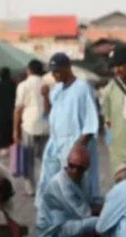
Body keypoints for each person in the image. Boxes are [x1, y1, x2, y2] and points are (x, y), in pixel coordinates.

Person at [35, 52, 101, 209]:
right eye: (52, 72)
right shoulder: (57, 89)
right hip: (55, 141)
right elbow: (49, 113)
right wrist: (45, 97)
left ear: (68, 68)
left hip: (74, 142)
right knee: (49, 178)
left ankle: (81, 211)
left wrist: (78, 147)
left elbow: (91, 123)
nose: (54, 75)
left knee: (76, 183)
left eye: (57, 71)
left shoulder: (82, 88)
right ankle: (49, 210)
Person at [35, 144, 101, 237]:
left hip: (67, 224)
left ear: (86, 168)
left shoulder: (86, 179)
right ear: (67, 163)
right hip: (51, 234)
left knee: (96, 223)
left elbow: (91, 204)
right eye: (72, 166)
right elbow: (85, 213)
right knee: (98, 223)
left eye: (79, 168)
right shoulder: (61, 182)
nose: (74, 171)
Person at [13, 60, 49, 195]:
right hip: (46, 126)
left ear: (29, 70)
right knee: (44, 158)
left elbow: (18, 109)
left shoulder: (23, 85)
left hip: (29, 125)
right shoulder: (48, 84)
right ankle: (44, 185)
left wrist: (15, 131)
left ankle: (30, 187)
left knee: (28, 158)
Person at [0, 67, 17, 155]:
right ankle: (10, 147)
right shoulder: (13, 85)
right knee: (9, 129)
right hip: (10, 111)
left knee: (0, 130)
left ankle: (3, 148)